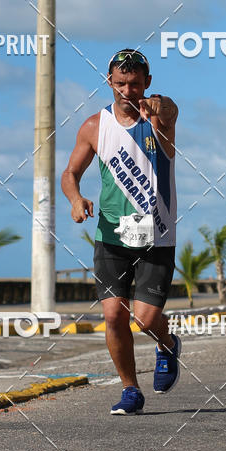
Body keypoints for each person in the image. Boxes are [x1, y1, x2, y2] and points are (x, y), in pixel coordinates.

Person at [61, 48, 179, 415]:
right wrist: (75, 198)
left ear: (147, 83)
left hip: (155, 233)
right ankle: (130, 390)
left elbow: (170, 110)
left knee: (144, 319)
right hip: (111, 234)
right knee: (113, 314)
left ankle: (167, 343)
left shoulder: (158, 118)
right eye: (121, 83)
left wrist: (159, 108)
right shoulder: (95, 127)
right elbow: (70, 174)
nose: (128, 90)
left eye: (135, 83)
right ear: (110, 81)